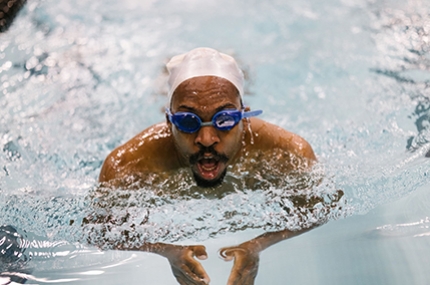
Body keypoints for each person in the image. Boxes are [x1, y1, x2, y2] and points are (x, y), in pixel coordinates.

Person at [98, 47, 319, 285]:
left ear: (243, 118)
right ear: (168, 121)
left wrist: (258, 246)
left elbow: (317, 211)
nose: (206, 138)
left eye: (224, 120)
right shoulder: (128, 165)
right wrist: (165, 251)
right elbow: (100, 231)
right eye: (187, 121)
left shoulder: (287, 152)